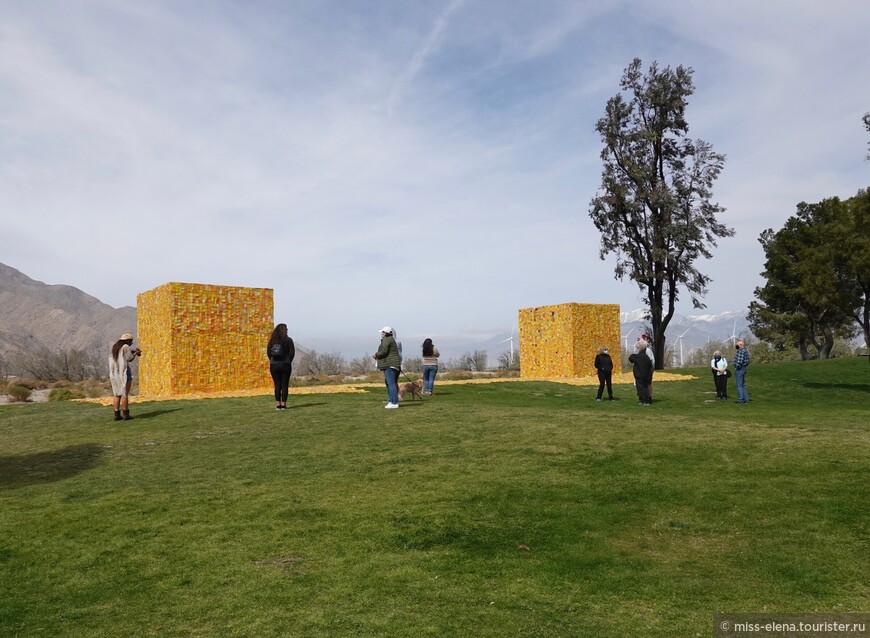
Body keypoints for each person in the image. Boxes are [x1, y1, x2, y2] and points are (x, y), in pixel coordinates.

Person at [109, 333, 141, 421]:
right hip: (124, 372)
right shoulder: (125, 347)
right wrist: (136, 353)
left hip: (114, 373)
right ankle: (126, 414)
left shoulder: (115, 347)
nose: (131, 343)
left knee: (116, 395)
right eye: (131, 342)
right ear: (128, 341)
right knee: (124, 394)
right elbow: (129, 358)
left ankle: (116, 414)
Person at [267, 323, 295, 410]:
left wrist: (272, 361)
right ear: (284, 330)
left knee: (277, 385)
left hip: (274, 365)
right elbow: (292, 353)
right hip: (285, 365)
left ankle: (278, 404)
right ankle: (283, 405)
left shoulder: (272, 340)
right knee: (284, 385)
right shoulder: (288, 340)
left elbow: (268, 353)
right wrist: (288, 361)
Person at [373, 326, 401, 409]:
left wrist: (376, 355)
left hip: (389, 365)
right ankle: (392, 401)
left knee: (391, 383)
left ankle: (394, 402)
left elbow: (384, 351)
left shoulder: (387, 340)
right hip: (392, 364)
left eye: (382, 332)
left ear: (385, 333)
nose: (381, 334)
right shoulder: (391, 339)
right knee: (390, 383)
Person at [628, 339, 653, 405]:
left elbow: (631, 358)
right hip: (646, 375)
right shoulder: (646, 357)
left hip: (639, 375)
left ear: (640, 348)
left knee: (640, 388)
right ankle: (647, 401)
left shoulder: (638, 357)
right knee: (645, 388)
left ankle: (642, 400)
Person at [640, 333, 655, 402]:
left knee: (648, 384)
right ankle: (643, 397)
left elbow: (651, 360)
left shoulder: (648, 351)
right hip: (643, 369)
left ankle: (649, 397)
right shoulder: (641, 352)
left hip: (648, 369)